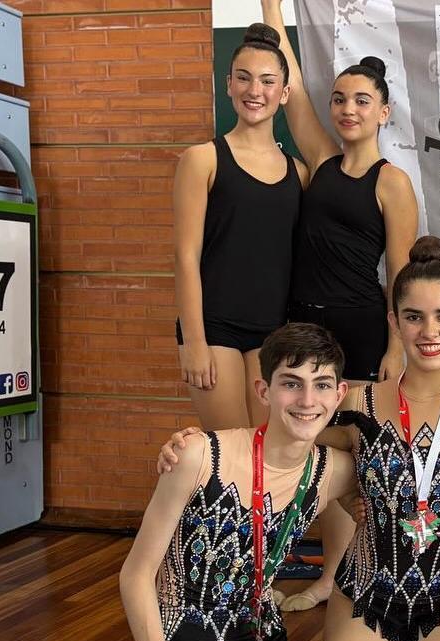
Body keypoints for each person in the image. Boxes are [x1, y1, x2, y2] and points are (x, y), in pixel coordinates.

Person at [160, 237, 440, 641]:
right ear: (394, 322)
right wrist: (200, 446)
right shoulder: (358, 403)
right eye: (414, 316)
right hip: (365, 591)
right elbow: (285, 440)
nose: (429, 331)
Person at [259, 0, 419, 609]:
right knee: (310, 453)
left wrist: (397, 349)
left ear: (383, 111)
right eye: (340, 99)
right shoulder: (322, 160)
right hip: (304, 327)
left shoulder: (392, 182)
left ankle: (363, 573)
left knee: (353, 455)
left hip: (359, 329)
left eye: (362, 101)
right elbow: (291, 84)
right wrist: (271, 7)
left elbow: (401, 275)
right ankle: (331, 574)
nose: (348, 109)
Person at [119, 323, 358, 641]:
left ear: (339, 394)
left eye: (321, 385)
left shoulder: (334, 470)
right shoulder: (198, 455)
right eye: (291, 383)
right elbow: (136, 576)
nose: (307, 400)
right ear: (264, 391)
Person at [174, 23, 307, 430]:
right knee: (232, 449)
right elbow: (185, 256)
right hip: (216, 327)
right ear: (228, 84)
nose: (255, 91)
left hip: (273, 330)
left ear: (284, 92)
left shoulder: (299, 174)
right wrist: (194, 342)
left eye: (268, 81)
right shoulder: (202, 159)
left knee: (267, 450)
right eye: (244, 78)